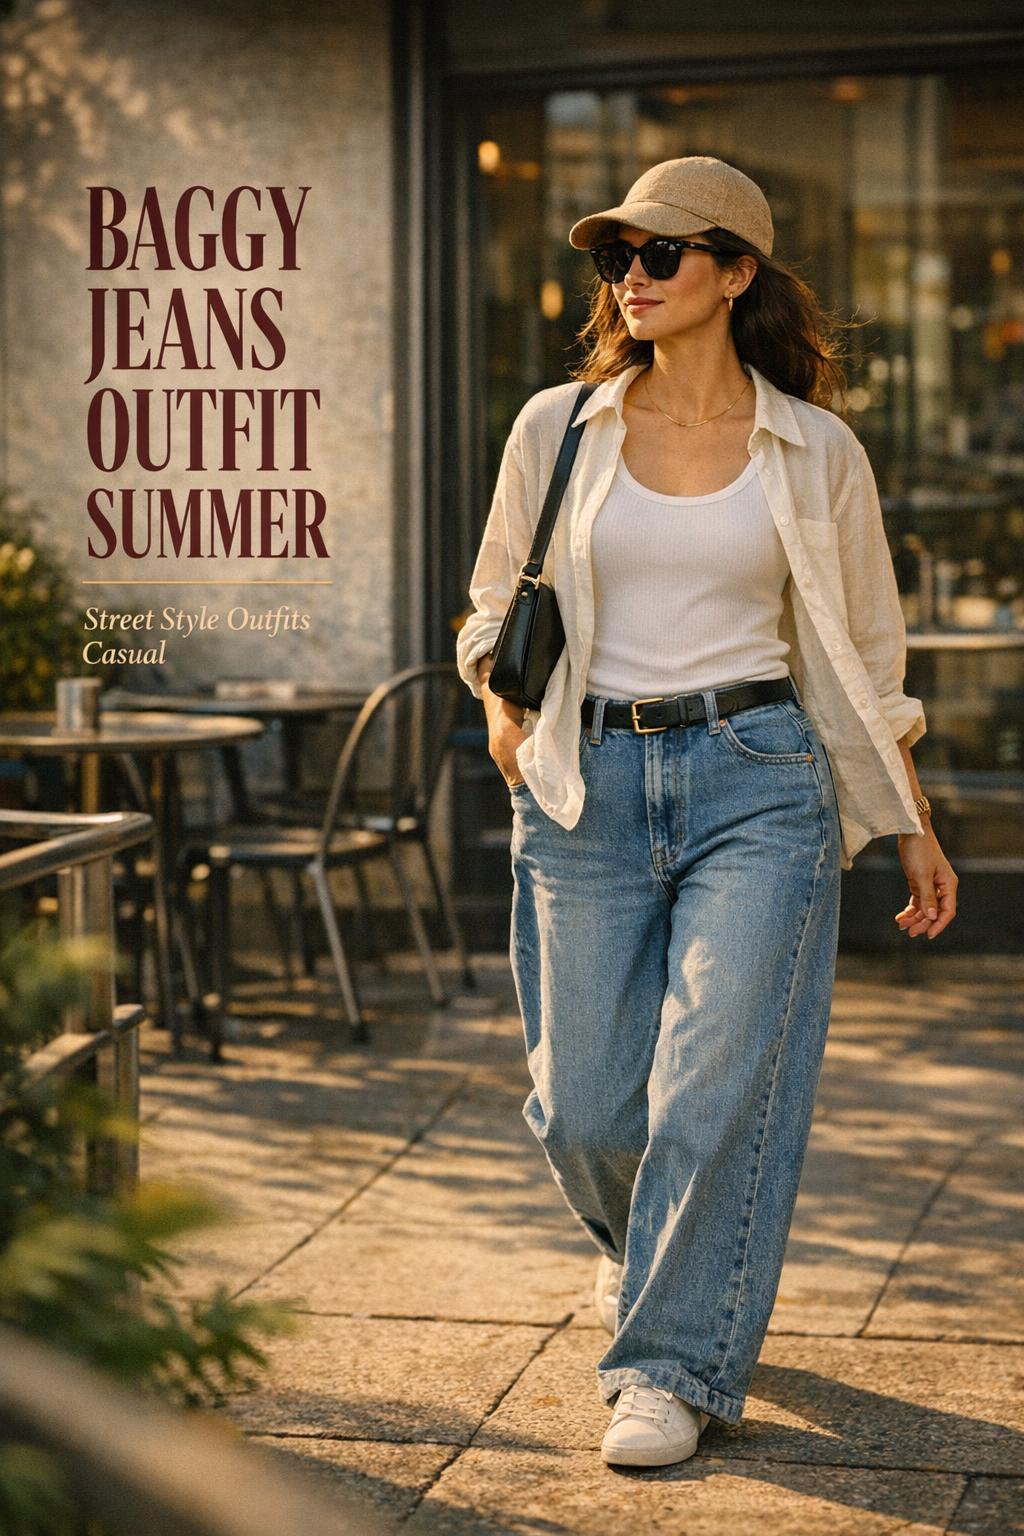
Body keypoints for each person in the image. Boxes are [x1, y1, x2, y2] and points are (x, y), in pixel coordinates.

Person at [455, 156, 959, 1470]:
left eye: (662, 253)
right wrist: (507, 724)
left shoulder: (814, 448)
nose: (630, 274)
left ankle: (673, 1364)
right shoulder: (556, 427)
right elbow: (490, 613)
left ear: (736, 274)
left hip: (760, 775)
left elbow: (863, 652)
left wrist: (903, 812)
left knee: (716, 1089)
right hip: (584, 782)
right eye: (617, 252)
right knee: (585, 1110)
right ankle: (660, 1262)